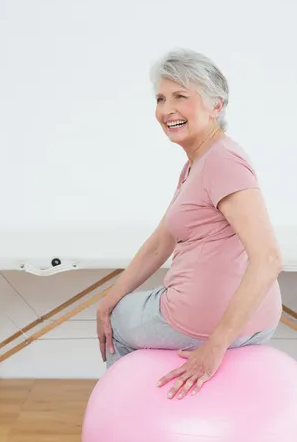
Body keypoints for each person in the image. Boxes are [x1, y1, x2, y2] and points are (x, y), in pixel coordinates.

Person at [96, 48, 283, 400]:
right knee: (116, 305)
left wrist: (216, 344)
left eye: (181, 96)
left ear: (216, 106)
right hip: (256, 319)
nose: (167, 110)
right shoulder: (198, 164)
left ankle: (129, 410)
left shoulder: (223, 162)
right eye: (161, 98)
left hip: (203, 321)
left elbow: (269, 258)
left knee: (119, 322)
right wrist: (109, 297)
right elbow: (159, 243)